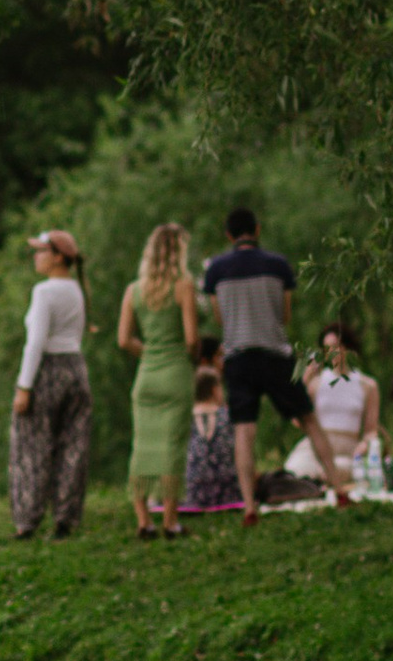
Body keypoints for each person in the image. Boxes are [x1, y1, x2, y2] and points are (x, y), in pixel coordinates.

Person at [199, 206, 353, 524]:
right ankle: (339, 489)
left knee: (245, 431)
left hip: (239, 359)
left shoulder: (215, 270)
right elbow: (285, 315)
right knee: (309, 420)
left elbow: (219, 318)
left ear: (228, 235)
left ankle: (249, 506)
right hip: (274, 355)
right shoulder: (278, 266)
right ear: (256, 230)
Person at [117, 220, 199, 539]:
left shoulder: (133, 290)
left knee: (143, 445)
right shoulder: (184, 285)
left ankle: (142, 521)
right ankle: (169, 521)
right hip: (176, 373)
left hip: (146, 376)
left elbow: (124, 339)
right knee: (172, 446)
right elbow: (192, 339)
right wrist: (183, 356)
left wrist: (149, 353)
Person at [9, 228, 90, 539]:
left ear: (58, 257)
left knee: (31, 445)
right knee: (73, 444)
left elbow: (36, 342)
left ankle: (27, 519)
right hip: (76, 368)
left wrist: (24, 386)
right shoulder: (76, 289)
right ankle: (65, 517)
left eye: (42, 251)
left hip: (48, 371)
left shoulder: (44, 292)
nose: (36, 257)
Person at [285, 320, 382, 483]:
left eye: (335, 347)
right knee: (295, 469)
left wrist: (365, 444)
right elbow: (297, 419)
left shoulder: (368, 385)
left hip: (348, 447)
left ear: (347, 347)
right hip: (317, 444)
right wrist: (305, 380)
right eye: (327, 349)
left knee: (337, 471)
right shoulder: (316, 383)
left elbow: (371, 430)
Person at [182, 365, 240, 513]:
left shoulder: (184, 418)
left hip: (192, 494)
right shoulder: (228, 416)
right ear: (215, 389)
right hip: (229, 493)